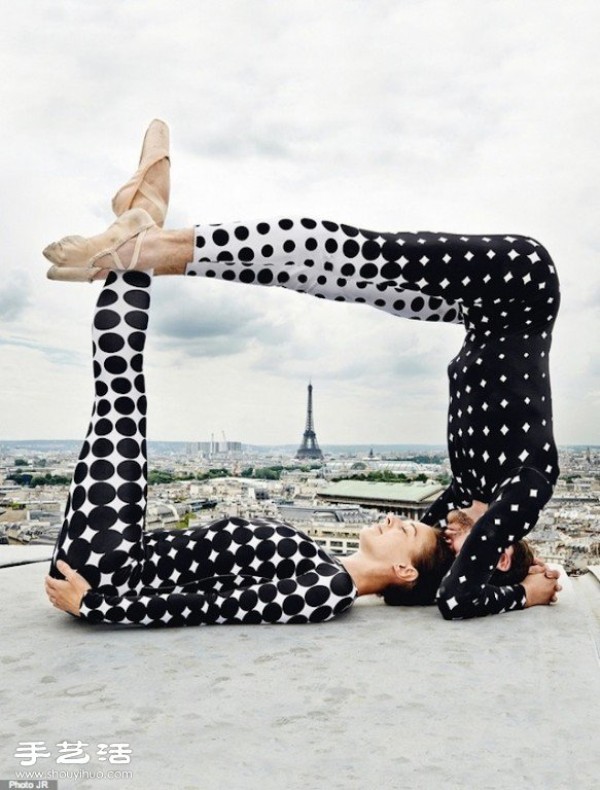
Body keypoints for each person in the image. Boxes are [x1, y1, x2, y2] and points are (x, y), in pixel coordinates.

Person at [44, 121, 562, 621]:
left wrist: (521, 591)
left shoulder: (467, 497)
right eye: (463, 541)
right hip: (523, 287)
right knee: (352, 264)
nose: (448, 535)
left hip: (113, 572)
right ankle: (146, 237)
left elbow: (449, 586)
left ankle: (145, 242)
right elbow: (440, 568)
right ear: (499, 550)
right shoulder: (521, 486)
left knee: (351, 264)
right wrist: (522, 585)